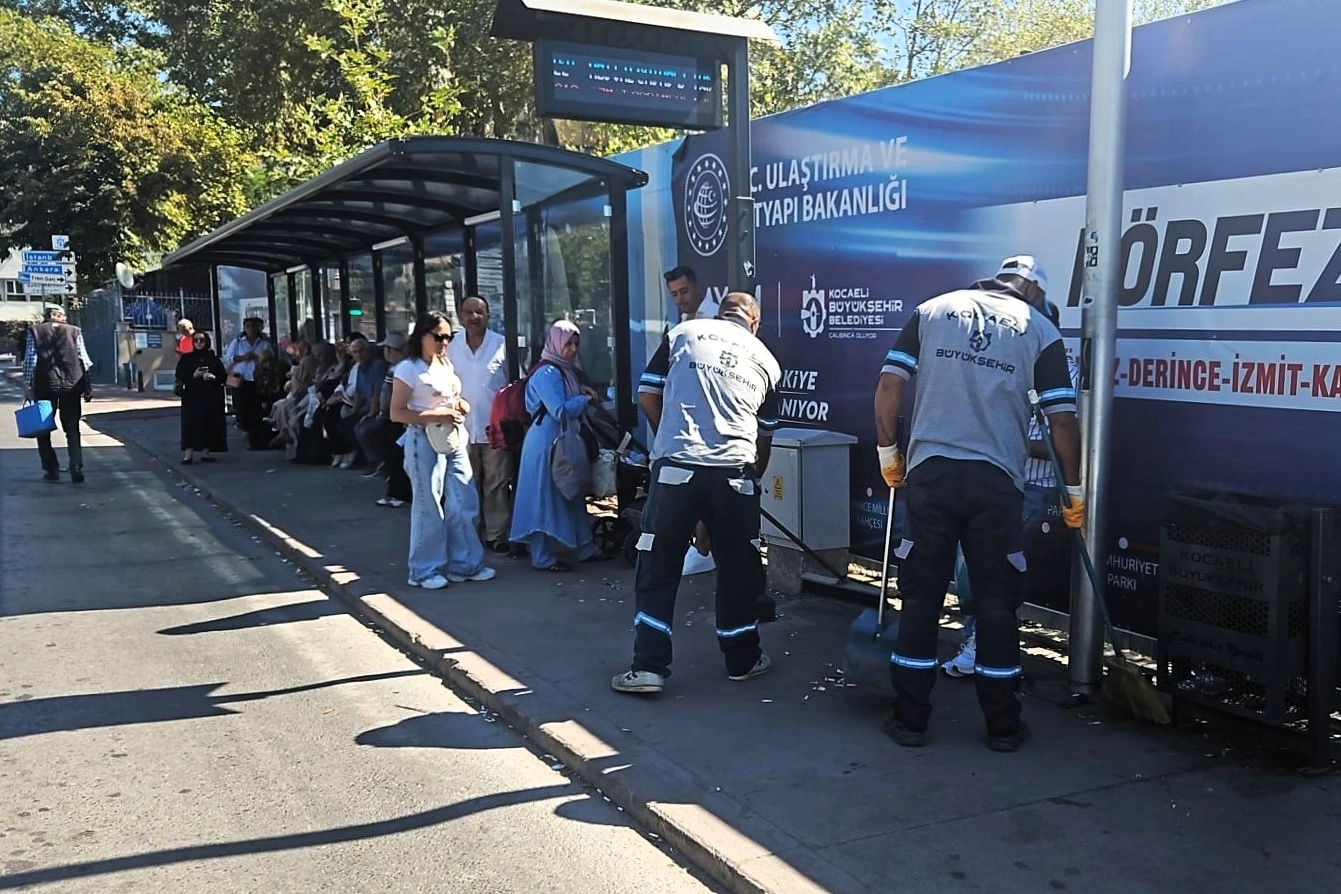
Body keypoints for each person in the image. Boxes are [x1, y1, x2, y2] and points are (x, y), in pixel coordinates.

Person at [873, 254, 1083, 752]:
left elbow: (888, 386)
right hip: (996, 483)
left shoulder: (933, 310)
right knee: (996, 606)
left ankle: (910, 721)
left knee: (921, 600)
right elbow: (1063, 421)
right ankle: (1003, 728)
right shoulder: (1041, 330)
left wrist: (888, 454)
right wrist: (1073, 493)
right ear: (1034, 290)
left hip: (932, 475)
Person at [611, 292, 781, 695]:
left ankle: (648, 667)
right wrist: (748, 481)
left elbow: (648, 394)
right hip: (735, 474)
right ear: (755, 323)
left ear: (720, 315)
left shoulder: (684, 333)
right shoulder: (767, 359)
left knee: (659, 564)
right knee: (738, 568)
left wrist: (671, 442)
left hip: (677, 470)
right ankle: (743, 659)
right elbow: (764, 438)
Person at [943, 299, 1081, 677]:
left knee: (993, 567)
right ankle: (980, 644)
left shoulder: (1066, 374)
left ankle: (985, 648)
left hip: (1032, 486)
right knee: (971, 565)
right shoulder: (1000, 367)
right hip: (989, 478)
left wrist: (1006, 440)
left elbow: (1065, 441)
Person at [388, 312, 495, 589]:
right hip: (423, 438)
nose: (444, 342)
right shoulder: (408, 368)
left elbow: (454, 397)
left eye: (448, 337)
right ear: (421, 336)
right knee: (429, 505)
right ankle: (423, 570)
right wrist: (437, 415)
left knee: (463, 499)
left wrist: (460, 406)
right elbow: (396, 413)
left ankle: (466, 563)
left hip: (452, 437)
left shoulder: (445, 364)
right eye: (438, 336)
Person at [508, 320, 603, 571]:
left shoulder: (563, 371)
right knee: (544, 499)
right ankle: (542, 557)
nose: (573, 349)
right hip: (545, 445)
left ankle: (585, 547)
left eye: (576, 344)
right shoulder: (548, 373)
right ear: (555, 343)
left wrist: (579, 393)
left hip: (559, 442)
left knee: (570, 491)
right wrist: (583, 399)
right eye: (568, 344)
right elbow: (559, 410)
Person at [447, 296, 513, 552]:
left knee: (497, 483)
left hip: (495, 428)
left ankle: (496, 535)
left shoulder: (501, 344)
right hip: (461, 428)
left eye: (479, 312)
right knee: (466, 484)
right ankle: (469, 534)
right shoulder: (451, 346)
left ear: (488, 315)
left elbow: (514, 383)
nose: (474, 317)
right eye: (468, 312)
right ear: (461, 316)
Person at [23, 304, 93, 483]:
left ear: (46, 316)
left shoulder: (35, 331)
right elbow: (84, 360)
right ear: (63, 316)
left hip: (44, 386)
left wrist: (28, 386)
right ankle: (76, 466)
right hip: (72, 386)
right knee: (72, 428)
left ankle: (51, 468)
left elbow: (31, 360)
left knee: (43, 429)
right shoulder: (75, 331)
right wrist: (87, 387)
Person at [365, 334, 413, 508]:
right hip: (392, 417)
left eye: (387, 349)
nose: (385, 352)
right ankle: (394, 490)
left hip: (399, 419)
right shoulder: (395, 368)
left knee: (398, 456)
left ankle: (399, 493)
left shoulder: (402, 368)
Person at [175, 331, 228, 464]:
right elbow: (180, 375)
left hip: (210, 397)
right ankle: (188, 454)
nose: (199, 343)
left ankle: (206, 452)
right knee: (190, 424)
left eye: (202, 340)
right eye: (196, 340)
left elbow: (223, 376)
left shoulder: (213, 359)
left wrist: (213, 377)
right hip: (191, 397)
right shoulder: (186, 358)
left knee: (209, 423)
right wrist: (194, 375)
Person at [222, 317, 272, 450]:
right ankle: (247, 431)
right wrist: (244, 357)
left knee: (256, 408)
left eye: (253, 326)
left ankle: (254, 437)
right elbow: (228, 358)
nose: (251, 329)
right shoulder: (238, 342)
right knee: (242, 408)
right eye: (248, 326)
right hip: (241, 380)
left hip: (258, 379)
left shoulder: (264, 343)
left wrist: (259, 359)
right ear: (244, 328)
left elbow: (270, 359)